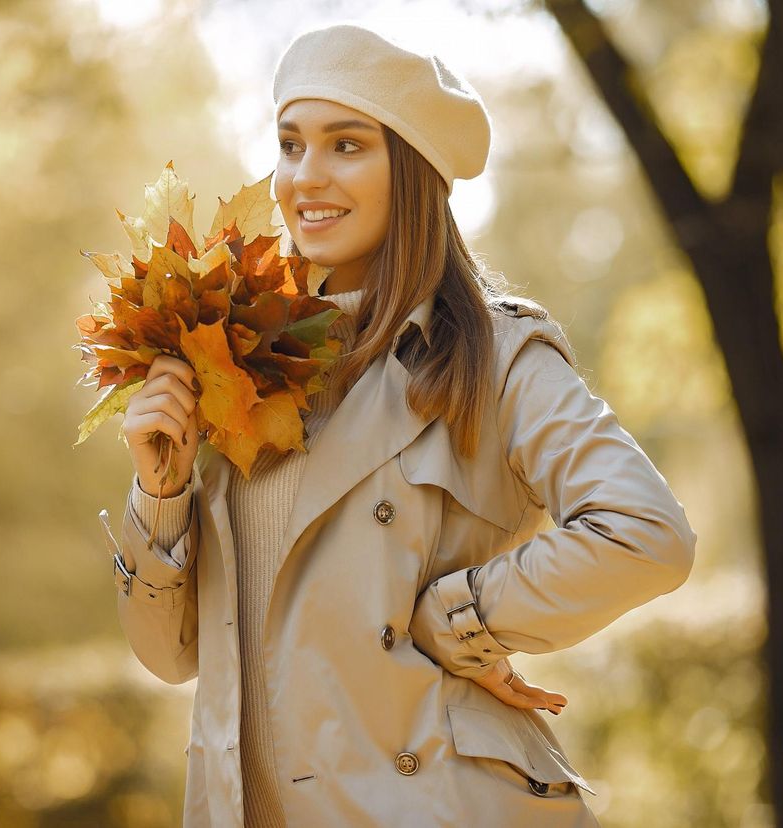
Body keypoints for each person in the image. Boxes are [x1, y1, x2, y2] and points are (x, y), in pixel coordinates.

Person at [99, 21, 697, 828]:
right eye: (290, 144)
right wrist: (161, 493)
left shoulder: (495, 356)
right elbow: (170, 656)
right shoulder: (235, 363)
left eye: (347, 145)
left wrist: (460, 615)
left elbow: (647, 532)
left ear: (412, 170)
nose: (306, 176)